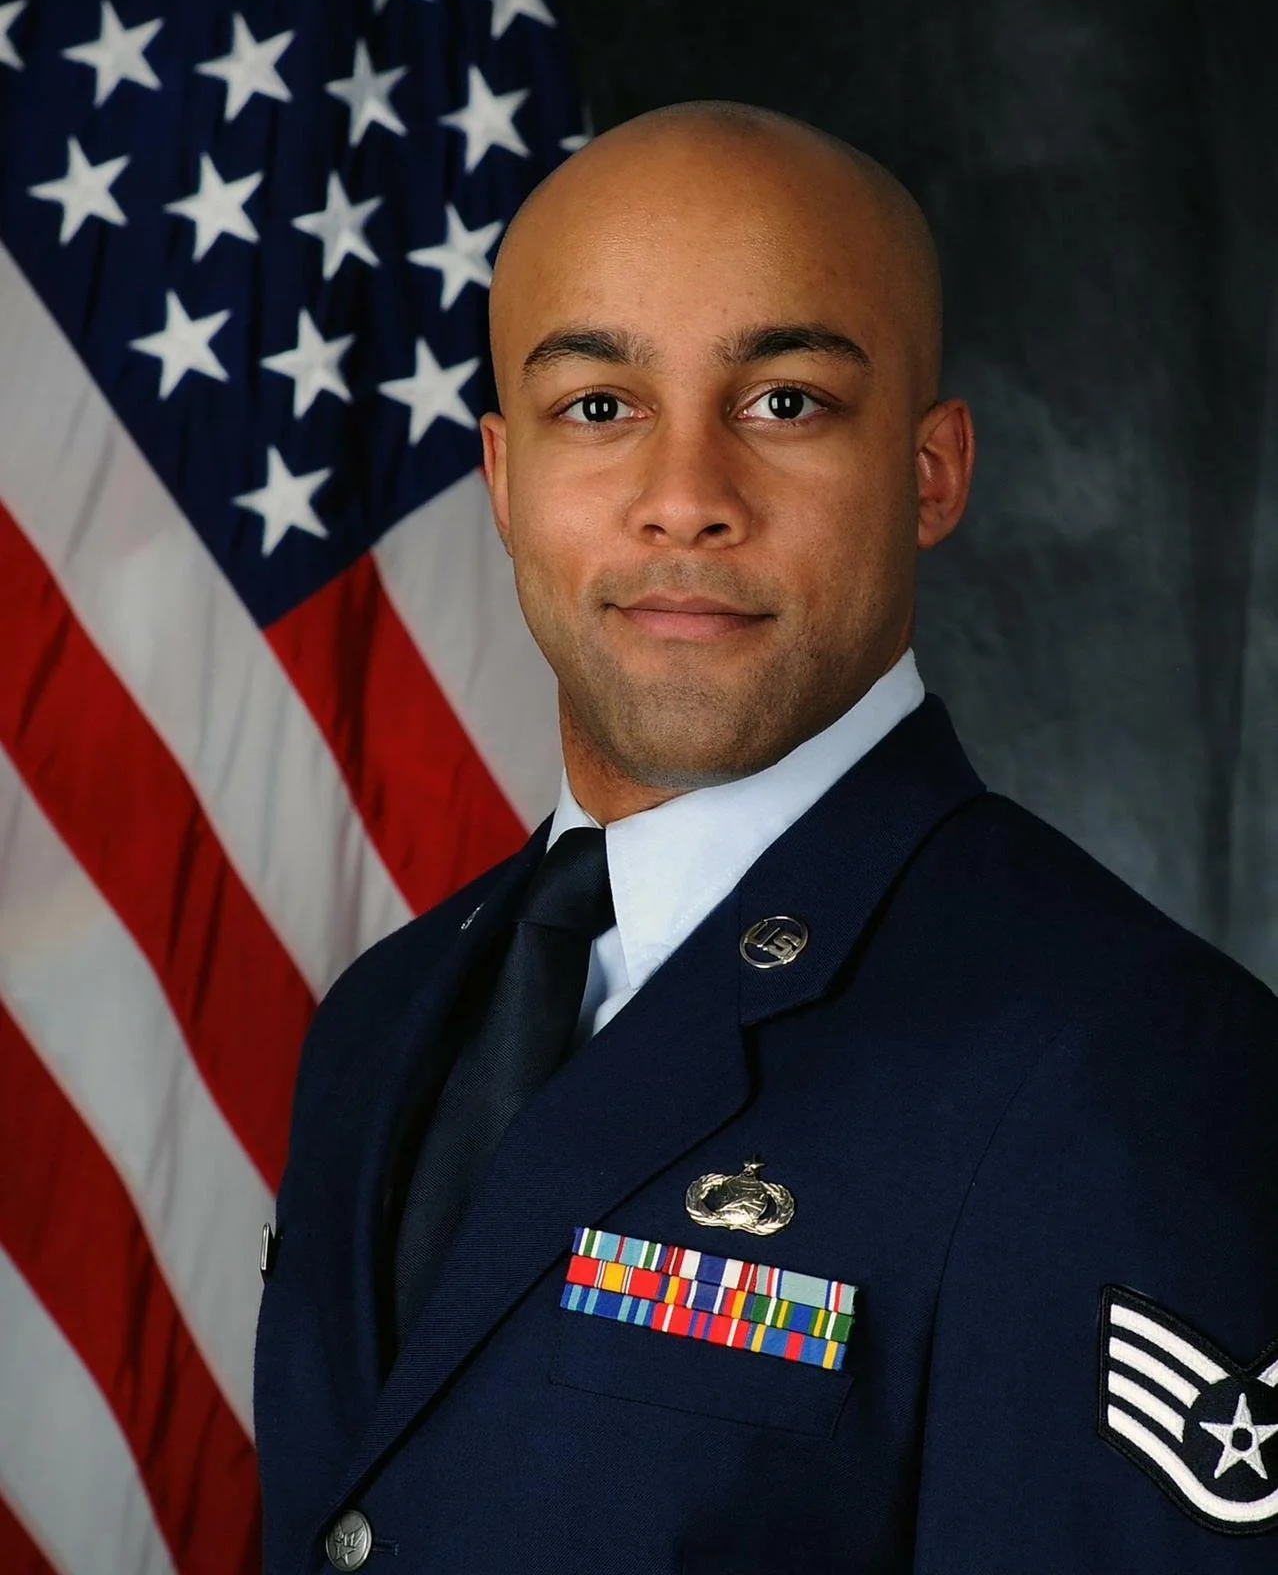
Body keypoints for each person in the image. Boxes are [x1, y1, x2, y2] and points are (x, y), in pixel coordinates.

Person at [254, 102, 1278, 1574]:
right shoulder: (385, 1017)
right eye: (597, 407)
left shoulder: (1124, 1072)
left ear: (929, 474)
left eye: (784, 401)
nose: (684, 500)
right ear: (500, 477)